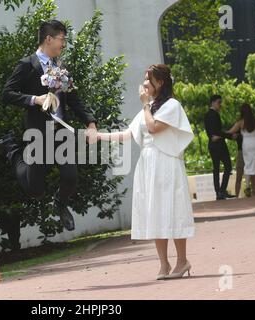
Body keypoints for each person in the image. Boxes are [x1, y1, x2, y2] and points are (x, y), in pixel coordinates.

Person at [0, 20, 98, 231]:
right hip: (38, 132)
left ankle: (61, 204)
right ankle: (12, 150)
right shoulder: (27, 65)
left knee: (70, 176)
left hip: (61, 132)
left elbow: (74, 100)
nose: (64, 44)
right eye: (62, 39)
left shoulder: (61, 68)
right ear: (49, 39)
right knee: (35, 189)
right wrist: (34, 100)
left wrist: (90, 122)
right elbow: (7, 94)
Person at [91, 64, 195, 280]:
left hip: (166, 163)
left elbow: (154, 128)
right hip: (148, 164)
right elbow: (128, 134)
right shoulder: (148, 108)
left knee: (172, 209)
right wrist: (98, 136)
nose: (145, 83)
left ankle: (182, 260)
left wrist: (146, 105)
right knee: (155, 210)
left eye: (149, 79)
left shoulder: (171, 106)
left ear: (161, 82)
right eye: (145, 78)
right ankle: (164, 264)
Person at [227, 104, 255, 196]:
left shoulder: (240, 122)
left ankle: (247, 187)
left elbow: (230, 132)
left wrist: (219, 133)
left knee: (248, 165)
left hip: (247, 144)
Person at [204, 95, 237, 200]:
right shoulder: (214, 114)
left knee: (217, 168)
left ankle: (219, 192)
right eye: (219, 102)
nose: (220, 105)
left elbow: (212, 133)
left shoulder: (207, 115)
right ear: (213, 102)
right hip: (219, 145)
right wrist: (230, 135)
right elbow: (216, 131)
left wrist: (218, 135)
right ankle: (221, 191)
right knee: (227, 166)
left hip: (214, 144)